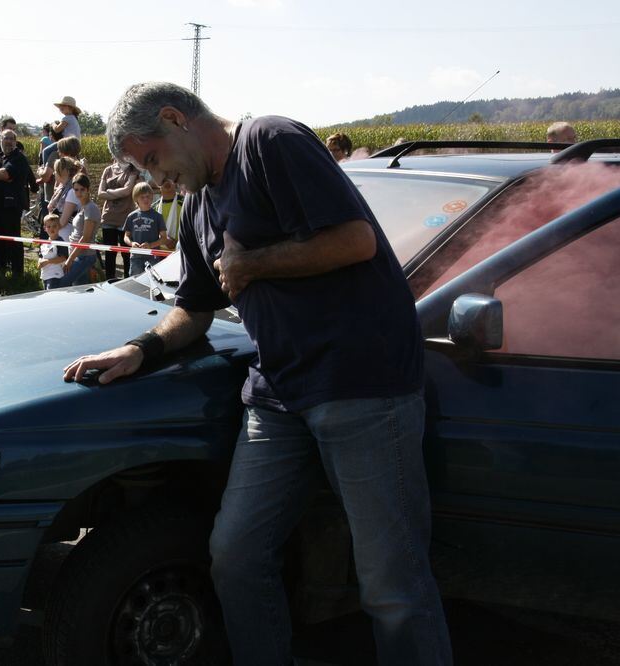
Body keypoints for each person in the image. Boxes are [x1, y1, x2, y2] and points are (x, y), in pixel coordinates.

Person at [63, 82, 453, 666]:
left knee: (391, 584)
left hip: (362, 387)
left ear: (175, 119)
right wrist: (140, 350)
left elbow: (356, 240)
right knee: (237, 557)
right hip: (276, 394)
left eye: (152, 159)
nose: (157, 177)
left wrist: (254, 262)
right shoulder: (196, 203)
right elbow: (193, 308)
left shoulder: (270, 141)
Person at [0, 129, 30, 275]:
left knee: (13, 241)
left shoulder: (19, 159)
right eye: (5, 138)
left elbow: (6, 174)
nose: (8, 141)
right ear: (0, 141)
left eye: (11, 139)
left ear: (15, 142)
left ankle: (17, 275)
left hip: (11, 207)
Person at [98, 159, 140, 278]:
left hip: (125, 218)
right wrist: (117, 192)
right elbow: (100, 193)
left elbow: (127, 191)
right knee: (110, 254)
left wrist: (109, 192)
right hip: (108, 217)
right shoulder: (108, 170)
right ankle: (109, 281)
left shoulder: (133, 171)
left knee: (126, 254)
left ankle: (128, 280)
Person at [58, 173, 100, 286]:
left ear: (88, 189)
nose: (79, 193)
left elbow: (85, 238)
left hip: (84, 256)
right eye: (76, 190)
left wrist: (70, 259)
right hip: (78, 254)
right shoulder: (83, 207)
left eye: (82, 189)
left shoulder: (90, 208)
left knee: (62, 283)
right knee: (79, 289)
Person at [122, 181, 167, 276]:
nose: (146, 199)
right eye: (142, 197)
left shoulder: (158, 216)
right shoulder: (131, 216)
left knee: (153, 282)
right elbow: (126, 236)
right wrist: (131, 243)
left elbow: (164, 238)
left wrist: (151, 245)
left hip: (153, 256)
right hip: (135, 257)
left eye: (148, 196)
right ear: (136, 198)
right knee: (136, 283)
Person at [38, 214, 68, 289]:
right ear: (44, 228)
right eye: (49, 227)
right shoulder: (43, 243)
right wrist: (39, 262)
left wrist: (47, 261)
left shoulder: (60, 242)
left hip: (55, 276)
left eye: (54, 226)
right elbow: (40, 256)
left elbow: (63, 258)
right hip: (44, 276)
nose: (52, 229)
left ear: (59, 226)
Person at [155, 178, 184, 249]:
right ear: (157, 184)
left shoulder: (185, 203)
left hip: (180, 253)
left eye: (169, 178)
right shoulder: (153, 207)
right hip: (158, 254)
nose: (166, 182)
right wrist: (165, 240)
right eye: (163, 180)